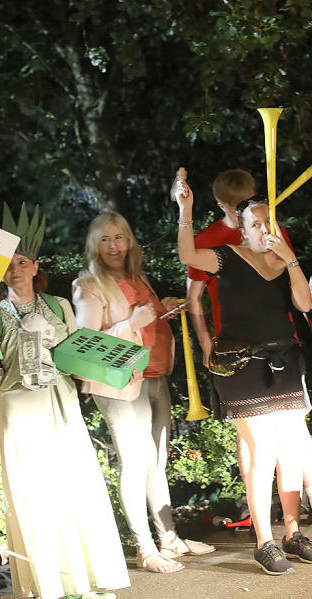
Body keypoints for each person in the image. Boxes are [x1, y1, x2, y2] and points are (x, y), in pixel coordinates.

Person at [0, 205, 130, 598]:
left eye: (21, 262)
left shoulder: (60, 306)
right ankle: (49, 587)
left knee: (74, 486)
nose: (15, 270)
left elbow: (81, 358)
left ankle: (84, 583)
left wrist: (121, 366)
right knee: (35, 495)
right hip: (19, 410)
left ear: (34, 265)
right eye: (7, 265)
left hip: (60, 404)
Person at [177, 181, 312, 576]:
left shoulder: (282, 262)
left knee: (290, 447)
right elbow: (187, 253)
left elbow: (305, 304)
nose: (263, 231)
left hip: (284, 361)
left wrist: (290, 258)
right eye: (255, 225)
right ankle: (264, 541)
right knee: (262, 451)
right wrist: (185, 209)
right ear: (242, 231)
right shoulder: (226, 256)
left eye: (267, 224)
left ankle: (293, 533)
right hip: (242, 365)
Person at [73, 212, 214, 575]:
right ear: (94, 245)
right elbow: (87, 344)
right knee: (136, 464)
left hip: (154, 376)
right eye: (105, 239)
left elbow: (143, 320)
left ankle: (169, 539)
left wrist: (161, 311)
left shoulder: (137, 277)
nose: (114, 245)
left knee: (156, 461)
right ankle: (145, 548)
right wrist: (131, 323)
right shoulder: (88, 284)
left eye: (120, 237)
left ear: (130, 240)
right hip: (119, 386)